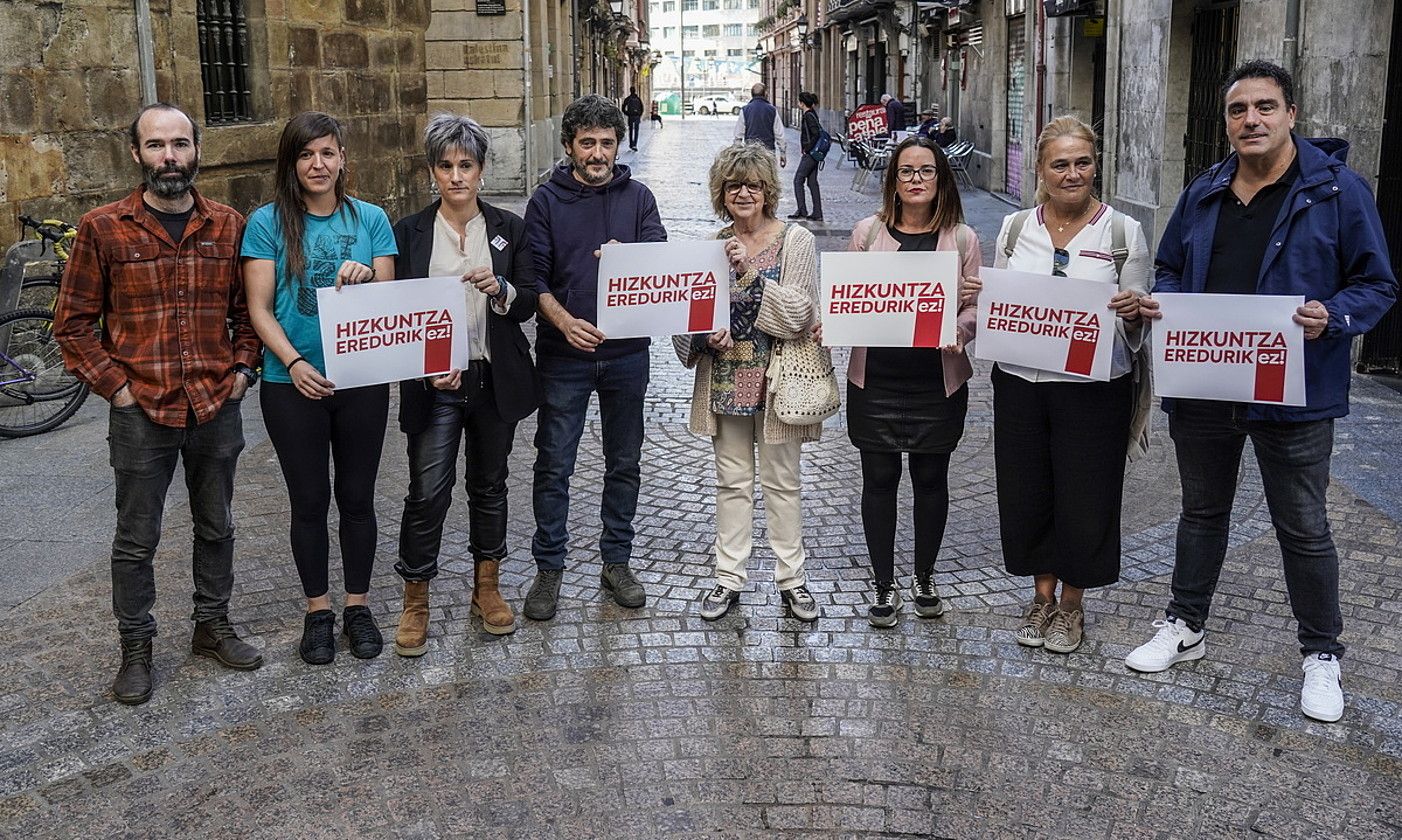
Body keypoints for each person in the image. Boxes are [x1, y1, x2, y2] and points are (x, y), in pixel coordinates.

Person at [1126, 60, 1396, 722]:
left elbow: (1378, 284)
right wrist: (1165, 301)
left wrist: (1334, 316)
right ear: (1226, 122)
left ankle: (1322, 655)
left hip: (1292, 391)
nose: (1251, 119)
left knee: (1303, 526)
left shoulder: (1338, 192)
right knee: (1201, 512)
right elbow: (1168, 267)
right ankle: (1185, 624)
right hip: (1206, 383)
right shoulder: (1204, 190)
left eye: (1265, 107)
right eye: (1238, 109)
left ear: (1292, 115)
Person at [54, 103, 264, 705]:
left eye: (179, 144)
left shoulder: (227, 224)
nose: (169, 157)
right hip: (140, 410)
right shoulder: (102, 228)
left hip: (214, 401)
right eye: (155, 146)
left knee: (217, 524)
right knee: (135, 538)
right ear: (136, 153)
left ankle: (212, 625)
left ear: (197, 150)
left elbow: (246, 310)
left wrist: (244, 370)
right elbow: (72, 325)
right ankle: (137, 647)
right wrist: (116, 388)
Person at [987, 116, 1151, 654]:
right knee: (1027, 488)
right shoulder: (1014, 229)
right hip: (1021, 382)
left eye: (1083, 162)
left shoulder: (1123, 232)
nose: (1073, 173)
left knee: (1087, 494)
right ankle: (1041, 596)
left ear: (1095, 165)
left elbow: (1139, 322)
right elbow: (1001, 305)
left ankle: (1072, 606)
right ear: (1041, 169)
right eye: (1060, 164)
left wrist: (1132, 315)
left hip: (1094, 388)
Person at [241, 111, 398, 665]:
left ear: (343, 160)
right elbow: (259, 308)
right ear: (291, 163)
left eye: (328, 153)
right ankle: (319, 611)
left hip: (360, 379)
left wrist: (365, 279)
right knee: (308, 501)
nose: (318, 164)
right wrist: (294, 361)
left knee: (357, 499)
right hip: (291, 382)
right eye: (307, 155)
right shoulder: (266, 223)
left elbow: (388, 301)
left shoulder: (372, 219)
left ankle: (358, 606)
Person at [391, 114, 543, 656]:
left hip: (492, 377)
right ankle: (416, 600)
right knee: (428, 491)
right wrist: (425, 360)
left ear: (481, 170)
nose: (456, 176)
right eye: (445, 166)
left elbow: (528, 299)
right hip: (435, 384)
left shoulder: (508, 226)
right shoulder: (408, 231)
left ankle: (488, 588)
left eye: (466, 165)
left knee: (490, 485)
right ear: (432, 171)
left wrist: (500, 287)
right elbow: (395, 311)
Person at [521, 94, 667, 621]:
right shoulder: (546, 202)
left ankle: (616, 561)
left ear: (618, 144)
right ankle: (549, 568)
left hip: (628, 355)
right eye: (588, 143)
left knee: (624, 462)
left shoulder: (639, 198)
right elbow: (531, 277)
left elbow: (659, 263)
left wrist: (628, 260)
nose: (598, 152)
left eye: (607, 142)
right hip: (564, 354)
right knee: (555, 461)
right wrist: (562, 321)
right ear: (569, 147)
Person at [676, 144, 821, 623]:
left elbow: (799, 313)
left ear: (768, 191)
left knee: (783, 483)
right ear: (722, 192)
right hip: (726, 380)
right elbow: (687, 320)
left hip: (779, 382)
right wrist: (702, 334)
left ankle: (792, 580)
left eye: (753, 185)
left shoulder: (795, 240)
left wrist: (747, 272)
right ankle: (727, 578)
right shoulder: (711, 244)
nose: (743, 193)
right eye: (734, 185)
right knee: (731, 483)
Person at [844, 136, 981, 628]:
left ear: (941, 179)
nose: (917, 179)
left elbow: (972, 309)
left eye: (926, 170)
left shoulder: (963, 239)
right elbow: (850, 300)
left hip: (935, 383)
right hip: (875, 380)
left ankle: (924, 575)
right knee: (878, 481)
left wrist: (960, 332)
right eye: (906, 171)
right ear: (893, 181)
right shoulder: (866, 233)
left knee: (930, 480)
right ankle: (884, 582)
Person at [789, 91, 824, 222]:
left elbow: (815, 134)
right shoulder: (812, 114)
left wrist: (807, 149)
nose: (798, 103)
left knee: (798, 180)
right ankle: (817, 212)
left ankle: (802, 210)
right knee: (812, 182)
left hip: (810, 154)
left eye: (799, 101)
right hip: (814, 154)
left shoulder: (808, 115)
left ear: (802, 103)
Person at [734, 82, 787, 168]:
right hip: (768, 152)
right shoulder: (772, 110)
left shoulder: (745, 110)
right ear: (765, 93)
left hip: (750, 153)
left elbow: (738, 136)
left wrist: (737, 155)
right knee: (769, 178)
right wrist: (783, 153)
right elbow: (780, 134)